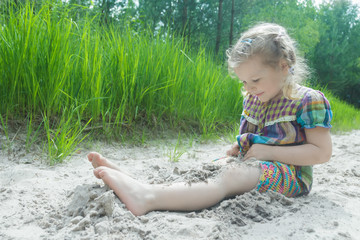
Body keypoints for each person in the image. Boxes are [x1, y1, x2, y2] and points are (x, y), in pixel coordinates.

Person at [88, 23, 333, 216]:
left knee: (230, 176)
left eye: (255, 80)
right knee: (210, 168)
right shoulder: (254, 98)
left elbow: (321, 153)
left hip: (291, 176)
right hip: (254, 164)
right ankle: (140, 184)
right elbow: (254, 139)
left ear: (283, 66)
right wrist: (240, 147)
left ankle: (147, 198)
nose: (250, 88)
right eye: (244, 82)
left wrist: (269, 153)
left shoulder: (307, 100)